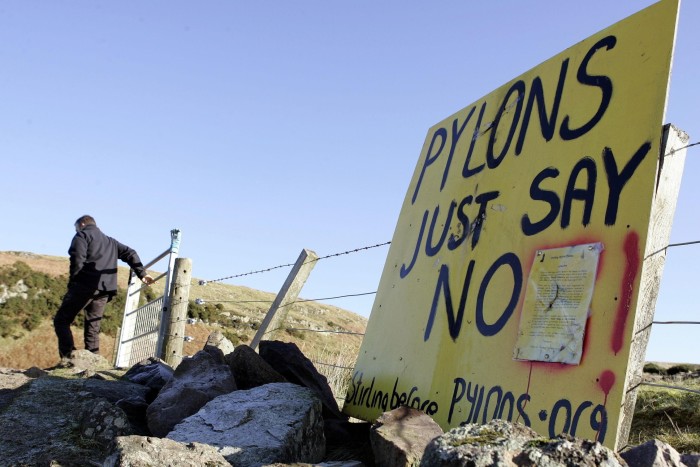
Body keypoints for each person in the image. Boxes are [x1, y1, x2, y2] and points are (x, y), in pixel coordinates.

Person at [53, 215, 154, 359]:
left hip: (84, 285)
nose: (75, 231)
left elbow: (77, 260)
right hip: (105, 288)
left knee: (61, 320)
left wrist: (73, 283)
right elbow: (130, 252)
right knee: (93, 325)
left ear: (82, 224)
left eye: (76, 228)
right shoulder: (110, 241)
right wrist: (142, 273)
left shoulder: (82, 235)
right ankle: (93, 359)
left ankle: (69, 357)